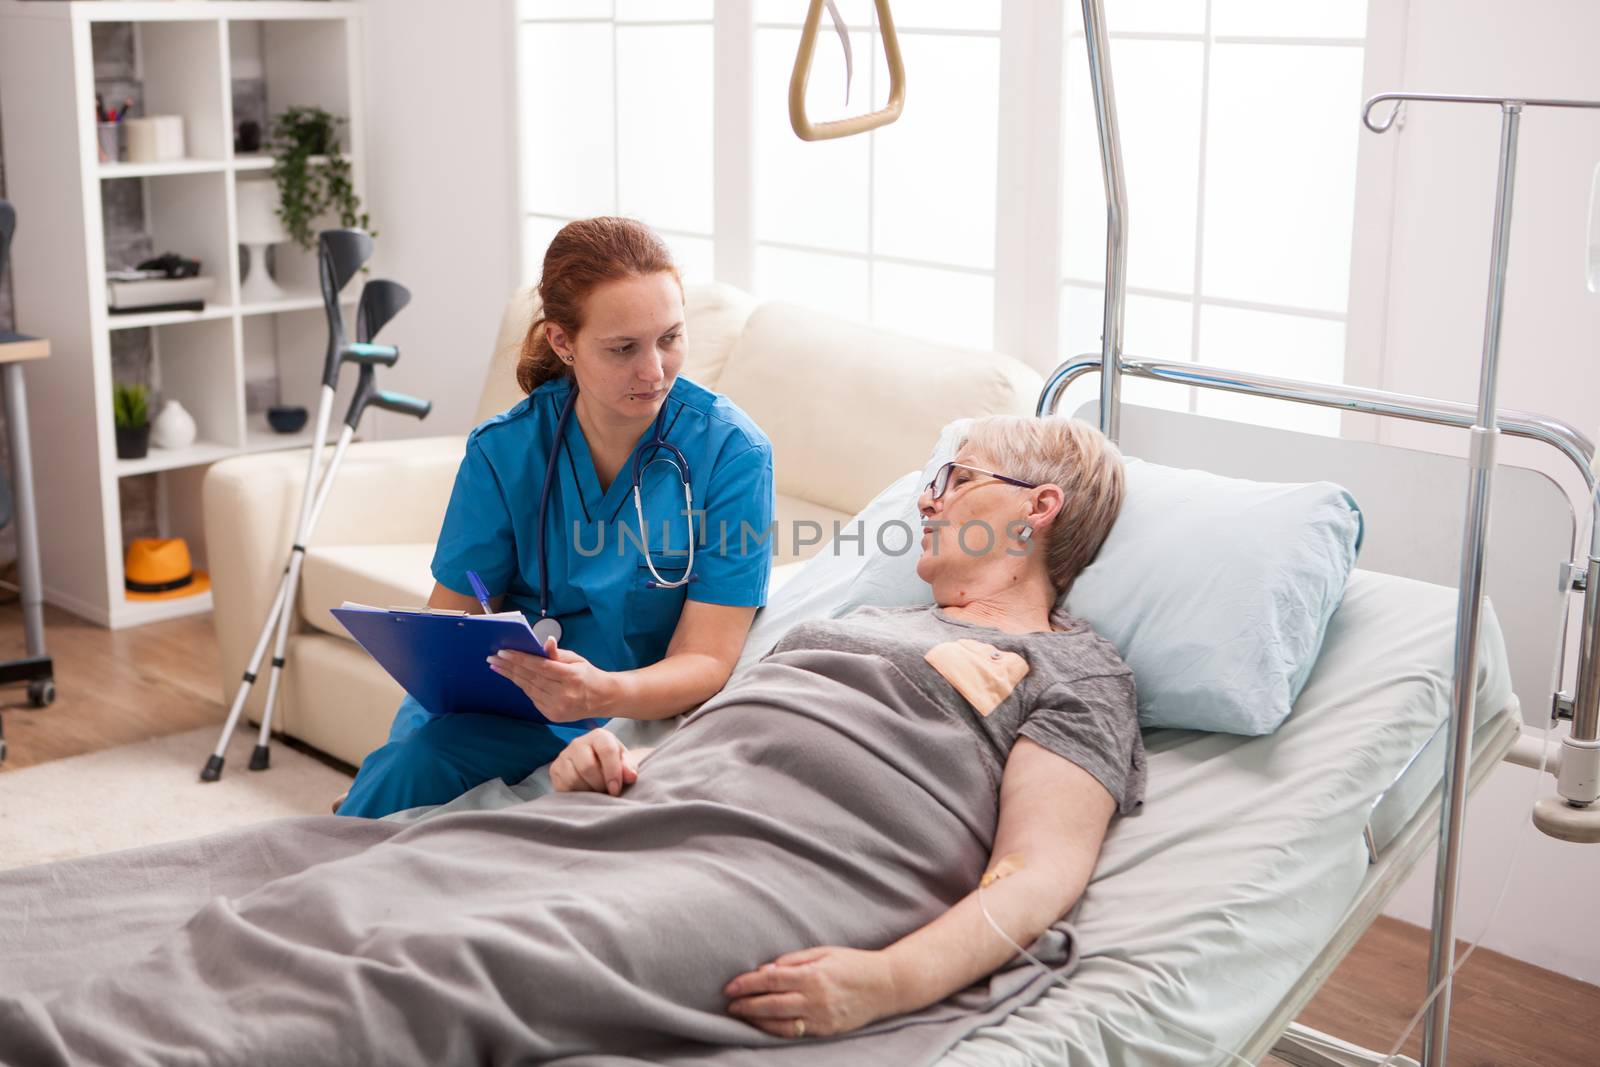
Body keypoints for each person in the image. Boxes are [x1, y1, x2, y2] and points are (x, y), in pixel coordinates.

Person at [0, 415, 1144, 1065]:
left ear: (1035, 510)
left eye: (954, 483)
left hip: (783, 871)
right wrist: (622, 760)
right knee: (329, 882)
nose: (932, 503)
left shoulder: (1074, 671)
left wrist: (886, 980)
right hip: (650, 816)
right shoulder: (854, 618)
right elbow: (728, 731)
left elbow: (1034, 871)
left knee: (453, 956)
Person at [336, 217, 776, 819]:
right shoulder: (506, 449)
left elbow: (707, 658)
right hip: (502, 705)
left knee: (409, 778)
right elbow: (452, 617)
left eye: (670, 338)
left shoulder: (732, 455)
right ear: (563, 342)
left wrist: (598, 691)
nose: (655, 371)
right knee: (413, 764)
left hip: (625, 706)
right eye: (623, 348)